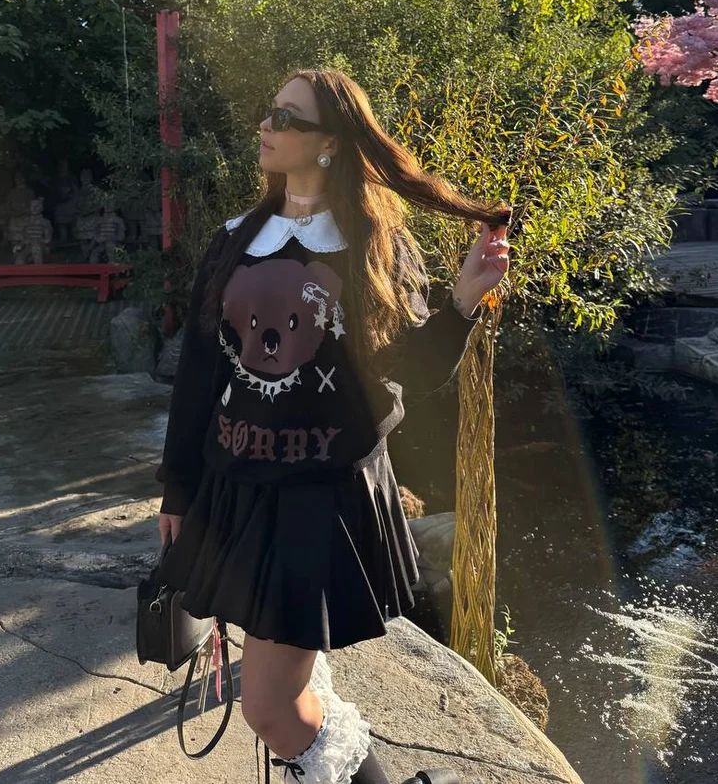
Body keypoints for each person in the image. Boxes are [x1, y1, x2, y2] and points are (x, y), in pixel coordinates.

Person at [155, 67, 511, 784]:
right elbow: (200, 374)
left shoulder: (372, 243)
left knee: (269, 706)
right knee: (284, 687)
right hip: (237, 488)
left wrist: (462, 303)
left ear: (329, 144)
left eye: (286, 118)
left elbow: (407, 368)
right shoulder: (234, 240)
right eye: (270, 111)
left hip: (321, 498)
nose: (266, 126)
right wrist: (178, 488)